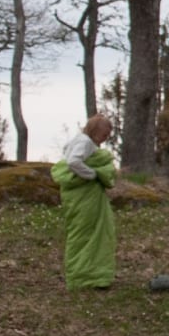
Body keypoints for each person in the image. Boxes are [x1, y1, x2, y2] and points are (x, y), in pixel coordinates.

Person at [51, 114, 118, 290]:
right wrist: (92, 174)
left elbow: (67, 153)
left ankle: (87, 274)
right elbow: (73, 161)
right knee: (86, 233)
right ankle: (84, 276)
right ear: (96, 130)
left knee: (83, 232)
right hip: (82, 195)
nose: (105, 139)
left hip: (78, 195)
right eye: (104, 134)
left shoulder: (78, 140)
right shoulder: (85, 142)